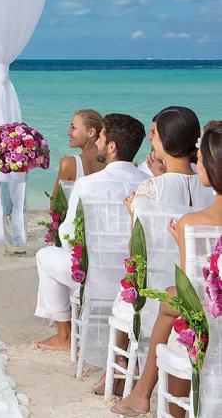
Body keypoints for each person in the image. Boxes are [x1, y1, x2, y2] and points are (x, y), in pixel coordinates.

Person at [112, 121, 222, 416]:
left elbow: (192, 295)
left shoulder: (192, 223)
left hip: (210, 319)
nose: (197, 160)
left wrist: (182, 242)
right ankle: (143, 392)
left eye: (203, 158)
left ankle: (153, 398)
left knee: (174, 303)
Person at [34, 113, 148, 351]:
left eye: (101, 137)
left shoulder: (88, 184)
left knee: (45, 256)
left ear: (112, 146)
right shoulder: (148, 183)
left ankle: (64, 336)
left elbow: (69, 235)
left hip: (96, 275)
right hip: (134, 279)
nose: (97, 142)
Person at [124, 106, 212, 218]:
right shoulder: (211, 187)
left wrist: (133, 213)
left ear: (166, 139)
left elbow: (142, 235)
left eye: (154, 133)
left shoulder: (152, 187)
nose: (150, 138)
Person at [50, 110, 105, 203]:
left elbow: (55, 207)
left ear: (91, 132)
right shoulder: (113, 160)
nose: (69, 132)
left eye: (73, 128)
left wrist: (68, 165)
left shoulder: (69, 164)